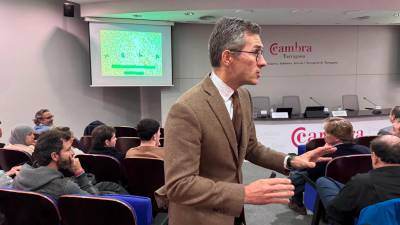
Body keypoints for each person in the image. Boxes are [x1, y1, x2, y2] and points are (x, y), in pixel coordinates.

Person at [162, 17, 336, 225]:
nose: (263, 61)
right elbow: (179, 185)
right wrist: (243, 194)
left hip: (233, 215)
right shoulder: (186, 109)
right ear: (227, 57)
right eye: (256, 52)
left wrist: (290, 161)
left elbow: (250, 147)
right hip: (199, 218)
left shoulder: (243, 97)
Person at [12, 130, 127, 200]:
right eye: (68, 150)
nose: (72, 153)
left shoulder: (20, 178)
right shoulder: (64, 187)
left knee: (106, 187)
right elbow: (94, 204)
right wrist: (80, 173)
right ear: (54, 156)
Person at [288, 117, 370, 215]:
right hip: (361, 189)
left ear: (336, 138)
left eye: (326, 133)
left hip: (333, 188)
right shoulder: (366, 151)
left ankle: (297, 203)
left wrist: (322, 152)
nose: (323, 135)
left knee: (297, 175)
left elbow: (312, 173)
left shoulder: (326, 156)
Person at [316, 135, 400, 225]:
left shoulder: (363, 182)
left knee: (323, 182)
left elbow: (337, 213)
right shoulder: (363, 182)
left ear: (374, 157)